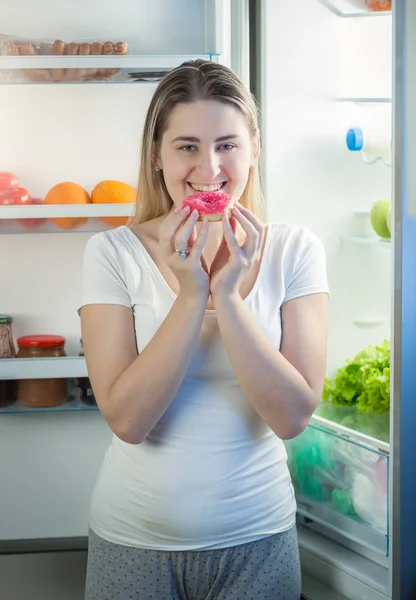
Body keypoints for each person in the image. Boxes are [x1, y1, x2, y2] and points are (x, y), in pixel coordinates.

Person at [80, 59, 329, 600]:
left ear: (254, 150)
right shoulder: (112, 253)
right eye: (187, 146)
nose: (209, 167)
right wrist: (190, 292)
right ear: (157, 155)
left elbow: (292, 416)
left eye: (228, 145)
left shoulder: (295, 251)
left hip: (259, 538)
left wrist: (230, 300)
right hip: (132, 539)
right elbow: (128, 419)